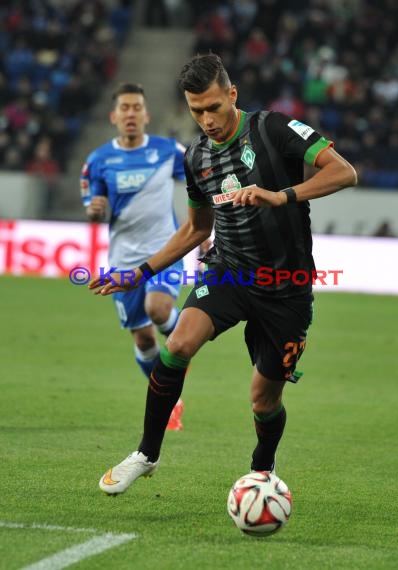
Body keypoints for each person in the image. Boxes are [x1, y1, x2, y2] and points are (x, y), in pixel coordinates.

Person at [89, 54, 357, 495]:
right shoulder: (196, 156)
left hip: (286, 288)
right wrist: (138, 274)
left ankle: (262, 471)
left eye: (214, 107)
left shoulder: (273, 129)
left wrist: (281, 195)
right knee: (177, 344)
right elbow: (196, 228)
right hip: (228, 273)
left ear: (232, 94)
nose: (207, 120)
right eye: (197, 111)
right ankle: (147, 453)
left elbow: (343, 172)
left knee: (263, 399)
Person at [81, 82, 187, 430]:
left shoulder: (168, 150)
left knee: (157, 310)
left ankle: (185, 335)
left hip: (165, 250)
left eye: (136, 107)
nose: (130, 113)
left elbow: (201, 180)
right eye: (124, 107)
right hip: (123, 261)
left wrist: (202, 231)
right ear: (114, 116)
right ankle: (168, 397)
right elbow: (93, 209)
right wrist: (96, 209)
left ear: (146, 115)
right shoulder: (98, 161)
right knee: (143, 338)